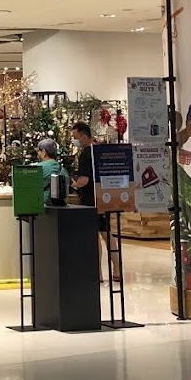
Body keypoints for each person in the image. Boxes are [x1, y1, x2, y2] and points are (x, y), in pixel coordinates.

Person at [71, 121, 118, 282]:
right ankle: (117, 270)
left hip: (90, 201)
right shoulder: (100, 151)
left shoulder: (85, 154)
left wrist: (74, 184)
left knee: (94, 237)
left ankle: (97, 273)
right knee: (107, 234)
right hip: (104, 198)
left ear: (84, 137)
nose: (74, 141)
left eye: (75, 137)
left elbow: (84, 180)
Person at [36, 138, 68, 206]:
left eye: (39, 151)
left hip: (42, 206)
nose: (38, 153)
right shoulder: (63, 170)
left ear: (44, 152)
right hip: (59, 207)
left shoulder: (38, 168)